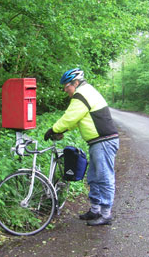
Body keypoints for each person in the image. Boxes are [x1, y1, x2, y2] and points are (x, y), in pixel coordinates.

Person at [44, 68, 119, 226]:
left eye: (67, 86)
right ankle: (95, 210)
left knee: (104, 177)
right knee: (93, 177)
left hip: (103, 141)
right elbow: (79, 118)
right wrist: (62, 130)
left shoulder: (82, 94)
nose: (65, 90)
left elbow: (70, 117)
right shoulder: (86, 92)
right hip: (98, 142)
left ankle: (106, 215)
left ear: (76, 83)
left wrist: (54, 129)